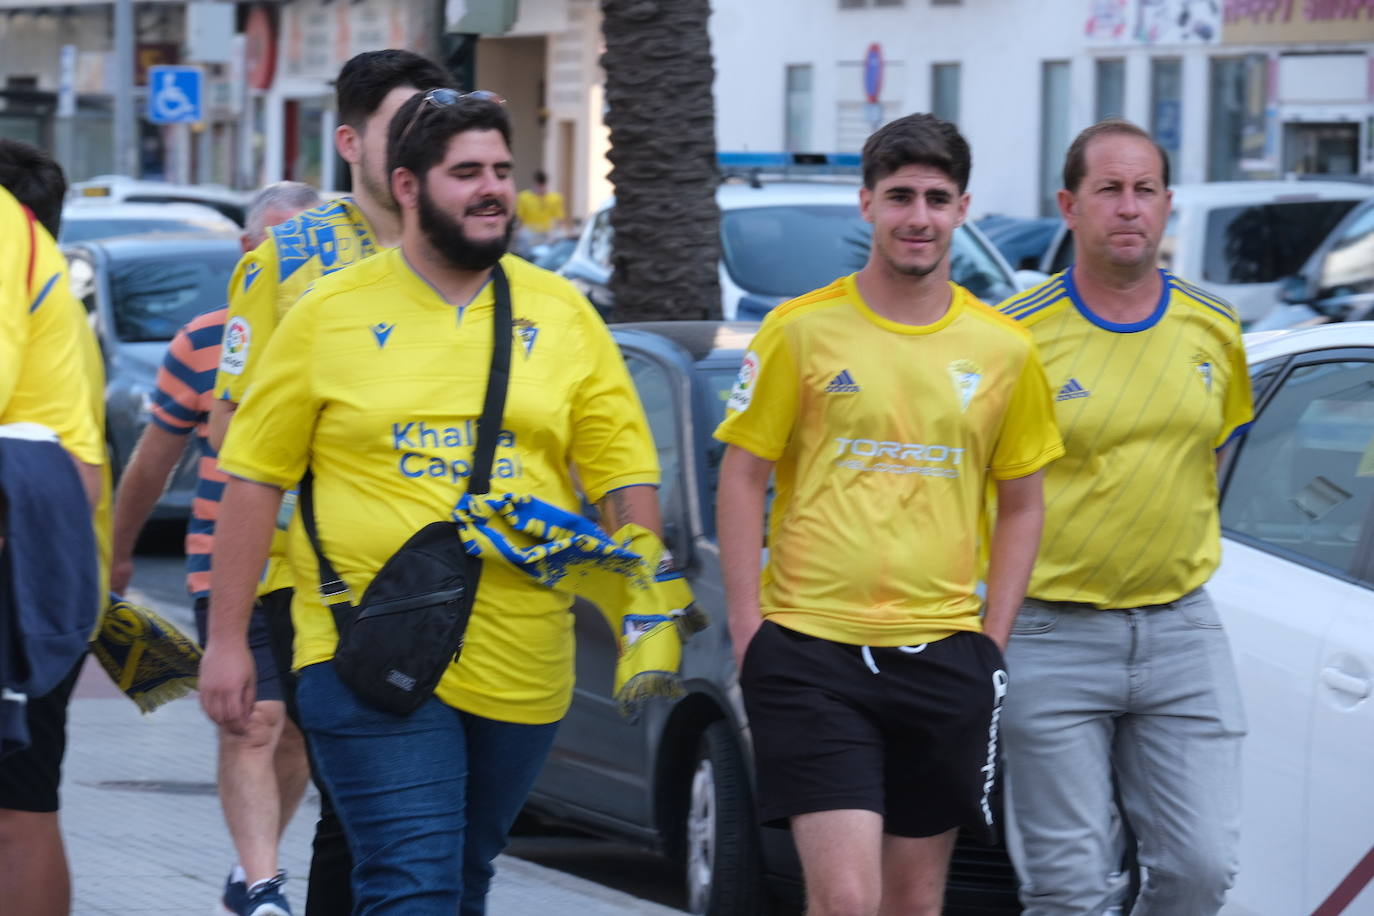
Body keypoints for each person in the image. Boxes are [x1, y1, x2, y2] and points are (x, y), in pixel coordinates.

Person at [200, 89, 661, 914]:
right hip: (361, 645)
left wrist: (649, 609)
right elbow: (253, 476)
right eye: (466, 173)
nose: (491, 189)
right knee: (411, 881)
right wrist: (228, 642)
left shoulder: (562, 314)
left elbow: (624, 472)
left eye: (501, 171)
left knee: (463, 874)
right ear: (407, 186)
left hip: (524, 653)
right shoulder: (327, 314)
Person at [715, 113, 1064, 916]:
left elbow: (1022, 503)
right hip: (811, 653)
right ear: (865, 203)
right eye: (900, 195)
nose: (919, 216)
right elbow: (742, 477)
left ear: (963, 208)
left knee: (915, 904)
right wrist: (748, 628)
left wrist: (992, 643)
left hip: (942, 657)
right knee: (843, 900)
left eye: (937, 198)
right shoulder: (800, 330)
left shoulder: (1005, 349)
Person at [208, 50, 456, 916]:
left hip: (449, 580)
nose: (426, 145)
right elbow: (232, 432)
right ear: (351, 143)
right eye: (404, 125)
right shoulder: (289, 259)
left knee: (384, 829)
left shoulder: (469, 252)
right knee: (363, 815)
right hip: (321, 583)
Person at [996, 118, 1252, 915]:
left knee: (1199, 872)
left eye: (1145, 191)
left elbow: (1214, 452)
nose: (1129, 208)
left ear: (1169, 205)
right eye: (1109, 190)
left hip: (1182, 632)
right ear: (1070, 205)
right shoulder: (1016, 337)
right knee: (1070, 892)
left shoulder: (1215, 327)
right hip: (1050, 633)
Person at [109, 181, 320, 916]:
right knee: (253, 718)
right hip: (224, 563)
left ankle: (247, 871)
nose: (292, 267)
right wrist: (118, 552)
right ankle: (263, 887)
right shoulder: (204, 342)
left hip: (320, 567)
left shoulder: (341, 339)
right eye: (279, 245)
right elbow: (152, 461)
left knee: (292, 729)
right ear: (247, 249)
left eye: (307, 247)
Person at [0, 142, 106, 916]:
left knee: (18, 811)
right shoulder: (45, 275)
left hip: (20, 565)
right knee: (24, 806)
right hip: (47, 562)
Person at [514, 169, 566, 253]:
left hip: (547, 233)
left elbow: (559, 219)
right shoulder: (524, 197)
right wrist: (518, 233)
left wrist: (559, 232)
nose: (540, 189)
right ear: (534, 183)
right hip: (530, 232)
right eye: (538, 186)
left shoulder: (555, 198)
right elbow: (520, 219)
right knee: (523, 237)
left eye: (542, 186)